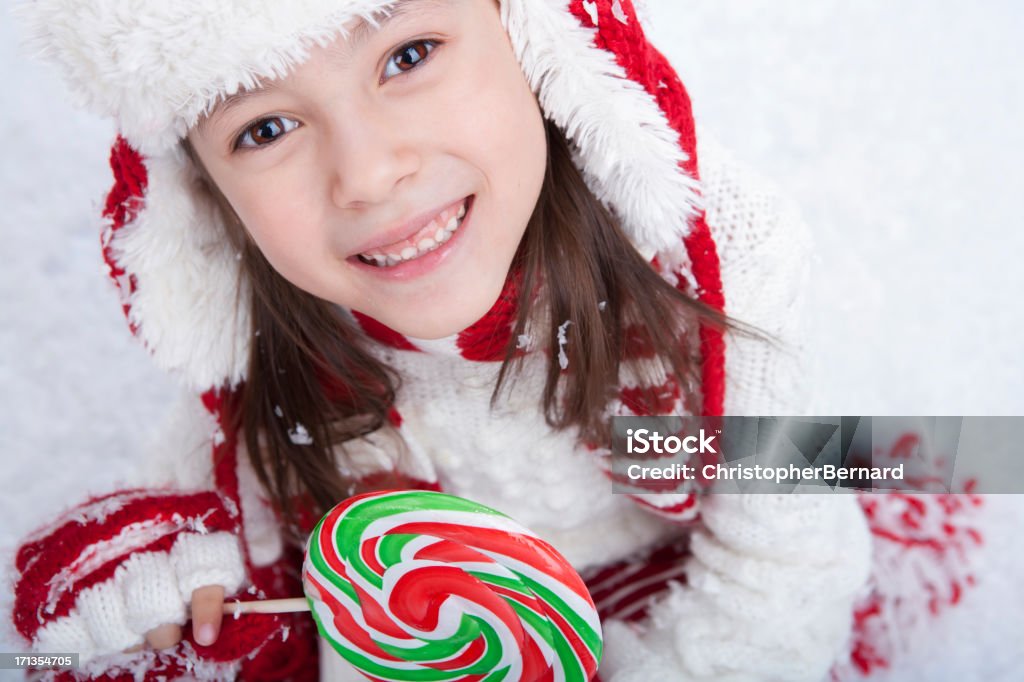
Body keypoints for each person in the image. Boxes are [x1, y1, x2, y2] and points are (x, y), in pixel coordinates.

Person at [9, 0, 986, 680]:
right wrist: (183, 577)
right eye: (264, 129)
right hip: (454, 619)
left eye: (407, 55)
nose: (370, 174)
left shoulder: (710, 262)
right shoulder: (266, 345)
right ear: (204, 202)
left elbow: (783, 573)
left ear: (530, 34)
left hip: (691, 560)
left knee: (866, 463)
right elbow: (207, 541)